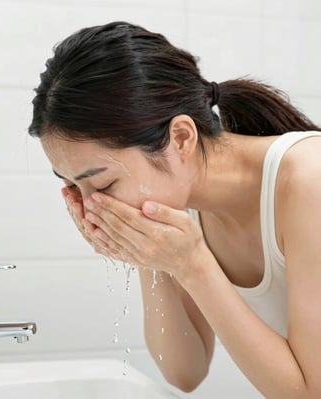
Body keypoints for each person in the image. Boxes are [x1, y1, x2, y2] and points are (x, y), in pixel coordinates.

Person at [28, 21, 321, 397]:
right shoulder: (182, 200)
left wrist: (194, 265)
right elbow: (185, 372)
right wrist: (147, 255)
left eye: (103, 185)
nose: (91, 208)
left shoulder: (309, 181)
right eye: (72, 187)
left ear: (181, 138)